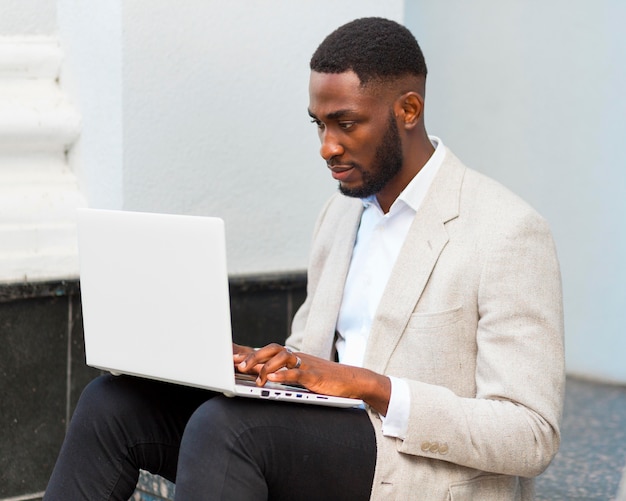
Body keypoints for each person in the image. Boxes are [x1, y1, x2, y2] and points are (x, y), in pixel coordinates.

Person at [44, 17, 564, 500]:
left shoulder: (505, 231)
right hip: (321, 436)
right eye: (319, 124)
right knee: (112, 404)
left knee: (227, 430)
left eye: (346, 124)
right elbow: (308, 353)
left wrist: (370, 385)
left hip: (417, 465)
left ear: (407, 110)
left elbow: (530, 433)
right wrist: (259, 367)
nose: (327, 147)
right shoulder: (338, 218)